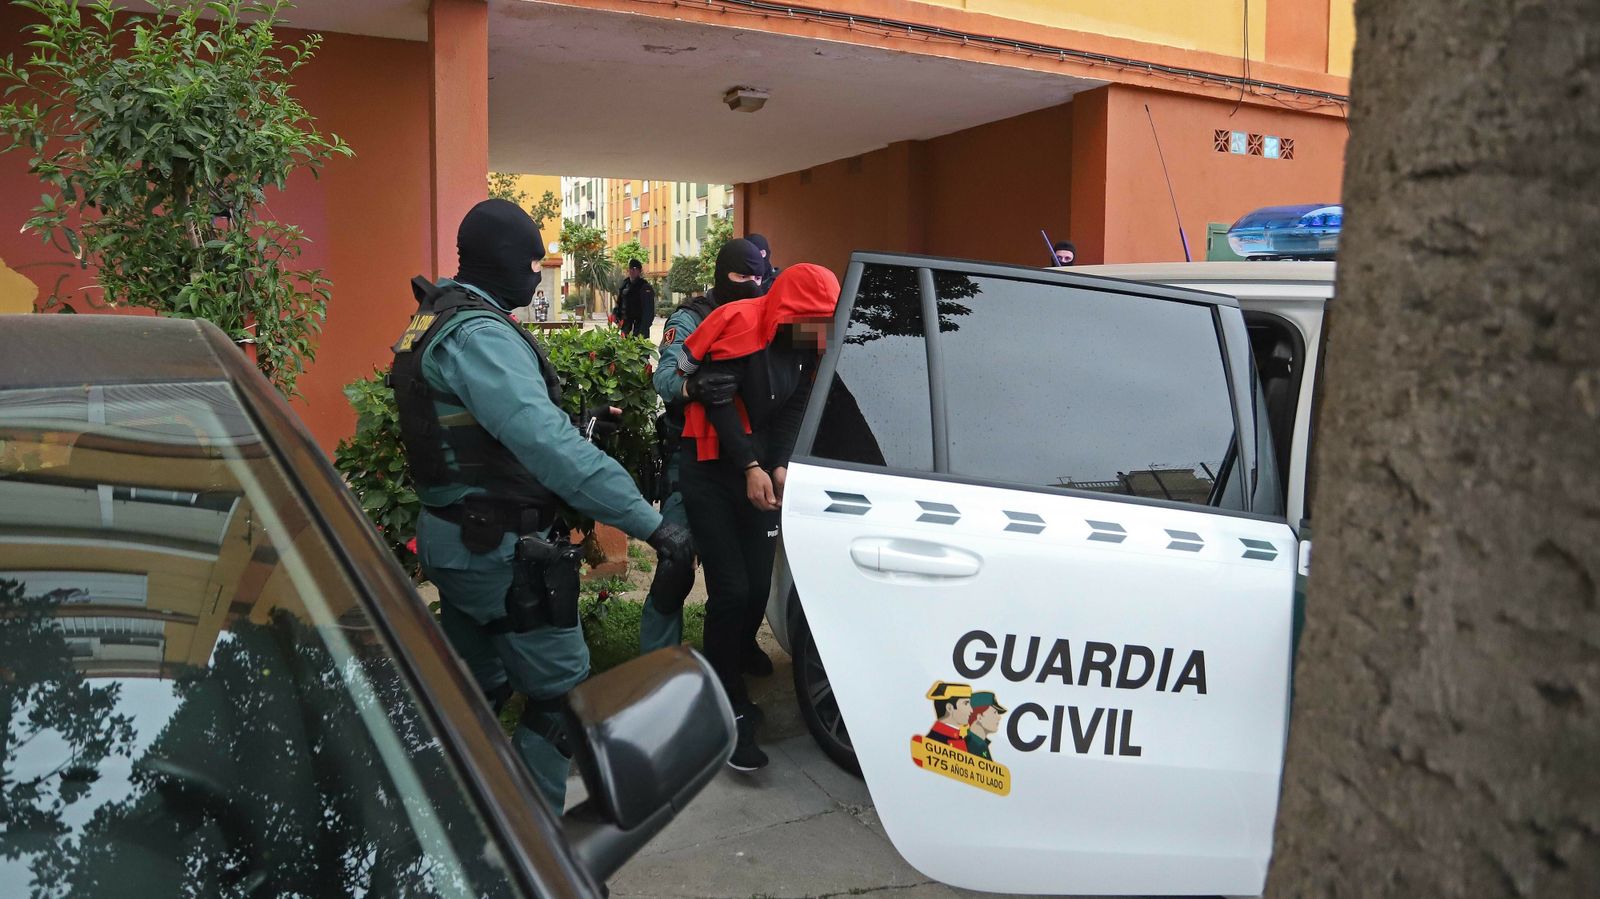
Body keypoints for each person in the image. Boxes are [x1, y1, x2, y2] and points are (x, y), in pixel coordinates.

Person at [390, 198, 691, 811]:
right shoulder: (479, 335)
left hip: (461, 537)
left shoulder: (439, 317)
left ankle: (442, 818)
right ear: (504, 261)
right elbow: (547, 449)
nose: (536, 278)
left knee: (479, 687)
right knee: (559, 704)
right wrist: (652, 524)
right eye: (532, 265)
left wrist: (576, 421)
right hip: (499, 550)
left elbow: (472, 431)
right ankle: (539, 855)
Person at [676, 263, 840, 771]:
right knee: (731, 589)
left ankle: (738, 651)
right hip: (712, 466)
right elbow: (720, 402)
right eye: (813, 321)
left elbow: (795, 409)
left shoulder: (808, 344)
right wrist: (749, 465)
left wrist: (781, 465)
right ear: (789, 312)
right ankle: (725, 702)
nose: (820, 334)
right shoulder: (742, 324)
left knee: (756, 582)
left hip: (761, 467)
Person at [639, 239, 767, 656]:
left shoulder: (768, 312)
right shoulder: (692, 317)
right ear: (721, 274)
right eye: (742, 276)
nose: (752, 284)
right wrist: (692, 387)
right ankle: (656, 666)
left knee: (745, 575)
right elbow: (665, 378)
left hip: (749, 458)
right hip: (690, 456)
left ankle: (737, 649)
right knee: (676, 562)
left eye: (759, 276)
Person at [924, 682, 974, 752]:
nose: (971, 710)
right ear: (949, 708)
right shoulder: (933, 741)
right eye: (966, 704)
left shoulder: (959, 737)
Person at [617, 258, 656, 337]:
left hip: (640, 326)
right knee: (625, 347)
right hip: (626, 326)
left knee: (639, 347)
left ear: (639, 271)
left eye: (635, 269)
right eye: (631, 268)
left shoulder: (645, 287)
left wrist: (644, 327)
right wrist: (617, 317)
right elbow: (619, 303)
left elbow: (649, 310)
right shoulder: (625, 285)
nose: (632, 271)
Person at [964, 691, 1007, 761]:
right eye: (994, 712)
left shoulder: (981, 744)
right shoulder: (970, 745)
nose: (999, 717)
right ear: (980, 718)